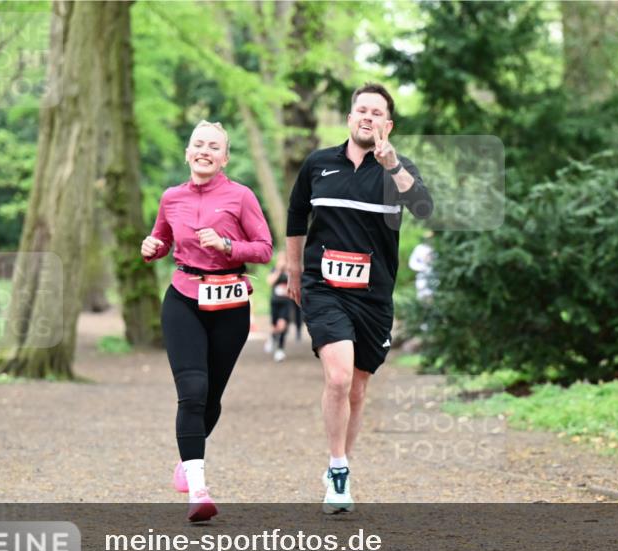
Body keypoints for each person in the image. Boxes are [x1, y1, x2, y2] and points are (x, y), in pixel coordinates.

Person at [286, 83, 433, 513]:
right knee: (337, 377)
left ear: (387, 125)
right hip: (324, 286)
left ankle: (342, 458)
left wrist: (394, 168)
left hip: (373, 295)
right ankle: (337, 470)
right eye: (361, 110)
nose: (367, 117)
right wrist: (294, 269)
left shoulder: (397, 169)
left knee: (358, 389)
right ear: (350, 119)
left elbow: (424, 209)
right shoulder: (318, 164)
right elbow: (297, 215)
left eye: (376, 113)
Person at [141, 120, 273, 522]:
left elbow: (265, 249)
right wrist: (152, 247)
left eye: (213, 147)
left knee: (211, 398)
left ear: (225, 157)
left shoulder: (241, 196)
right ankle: (198, 490)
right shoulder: (171, 197)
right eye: (198, 144)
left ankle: (187, 459)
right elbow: (161, 240)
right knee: (193, 391)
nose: (205, 151)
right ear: (187, 153)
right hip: (183, 297)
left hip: (230, 303)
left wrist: (228, 245)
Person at [266, 253, 292, 362]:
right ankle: (272, 338)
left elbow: (295, 285)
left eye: (284, 260)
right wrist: (278, 270)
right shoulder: (274, 270)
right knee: (274, 326)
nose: (282, 262)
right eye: (280, 260)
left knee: (282, 326)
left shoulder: (289, 272)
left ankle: (280, 350)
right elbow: (270, 282)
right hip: (275, 302)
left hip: (285, 303)